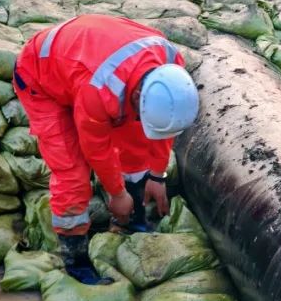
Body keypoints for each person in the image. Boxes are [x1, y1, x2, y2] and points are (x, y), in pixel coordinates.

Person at [13, 15, 200, 283]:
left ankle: (132, 220)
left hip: (85, 65)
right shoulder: (100, 91)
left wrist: (157, 175)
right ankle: (76, 262)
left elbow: (161, 130)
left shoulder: (170, 71)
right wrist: (116, 193)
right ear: (138, 96)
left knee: (136, 139)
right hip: (41, 78)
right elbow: (97, 150)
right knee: (72, 172)